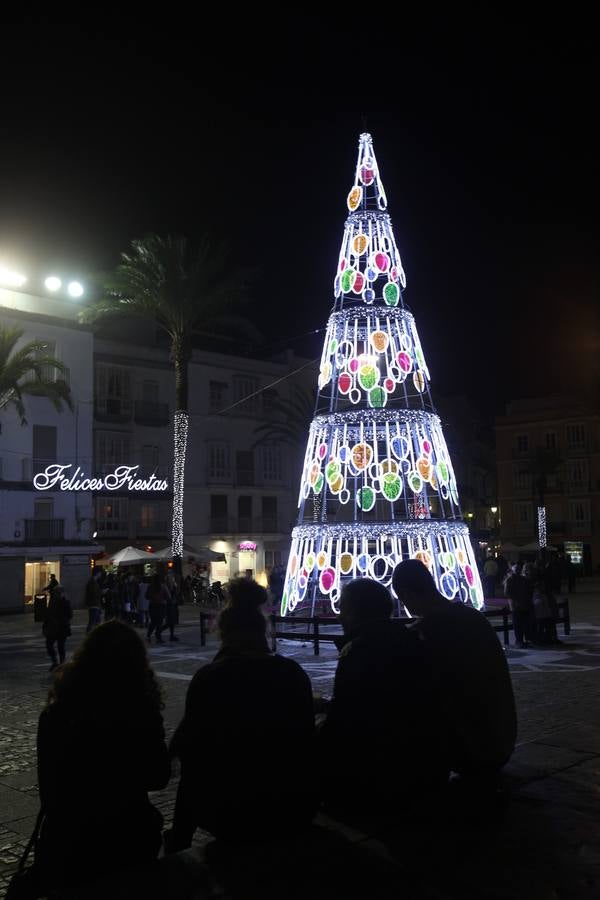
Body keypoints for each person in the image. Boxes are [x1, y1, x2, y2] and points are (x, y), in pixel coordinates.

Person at [167, 578, 317, 848]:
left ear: (224, 632)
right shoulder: (291, 673)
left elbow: (193, 758)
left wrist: (179, 836)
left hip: (228, 810)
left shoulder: (212, 678)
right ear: (263, 630)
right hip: (291, 804)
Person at [34, 621, 170, 895]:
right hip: (127, 837)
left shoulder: (57, 715)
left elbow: (49, 788)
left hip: (68, 841)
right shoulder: (139, 712)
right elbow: (158, 776)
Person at [318, 578, 449, 816]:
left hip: (382, 773)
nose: (339, 617)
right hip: (425, 763)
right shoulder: (412, 640)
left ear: (356, 614)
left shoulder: (358, 651)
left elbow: (346, 721)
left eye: (344, 610)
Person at [392, 560, 517, 784]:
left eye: (402, 600)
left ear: (407, 594)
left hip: (467, 749)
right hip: (501, 739)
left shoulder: (426, 630)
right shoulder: (473, 618)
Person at [42, 582, 72, 670]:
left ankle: (60, 663)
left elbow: (69, 615)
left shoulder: (65, 602)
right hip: (54, 627)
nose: (55, 594)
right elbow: (48, 614)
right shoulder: (52, 602)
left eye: (57, 592)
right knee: (50, 644)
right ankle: (56, 662)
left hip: (61, 627)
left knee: (60, 646)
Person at [504, 563, 534, 647]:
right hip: (516, 606)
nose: (517, 570)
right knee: (518, 624)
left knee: (523, 623)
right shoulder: (511, 580)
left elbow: (529, 590)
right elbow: (507, 593)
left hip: (522, 604)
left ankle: (523, 640)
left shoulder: (522, 579)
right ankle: (519, 640)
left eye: (518, 569)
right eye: (516, 569)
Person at [147, 573, 169, 643]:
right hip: (161, 606)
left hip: (152, 605)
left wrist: (153, 597)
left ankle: (149, 635)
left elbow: (146, 596)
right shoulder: (163, 586)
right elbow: (168, 596)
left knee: (153, 621)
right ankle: (158, 637)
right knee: (159, 622)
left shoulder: (150, 586)